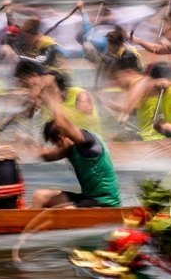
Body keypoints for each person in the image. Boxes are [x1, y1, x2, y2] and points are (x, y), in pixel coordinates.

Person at [30, 75, 121, 208]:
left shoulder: (87, 141)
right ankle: (28, 227)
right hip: (87, 198)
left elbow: (61, 123)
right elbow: (45, 156)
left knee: (66, 210)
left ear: (62, 137)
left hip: (105, 202)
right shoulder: (68, 148)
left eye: (56, 143)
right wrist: (44, 95)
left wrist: (54, 89)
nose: (56, 147)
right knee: (39, 196)